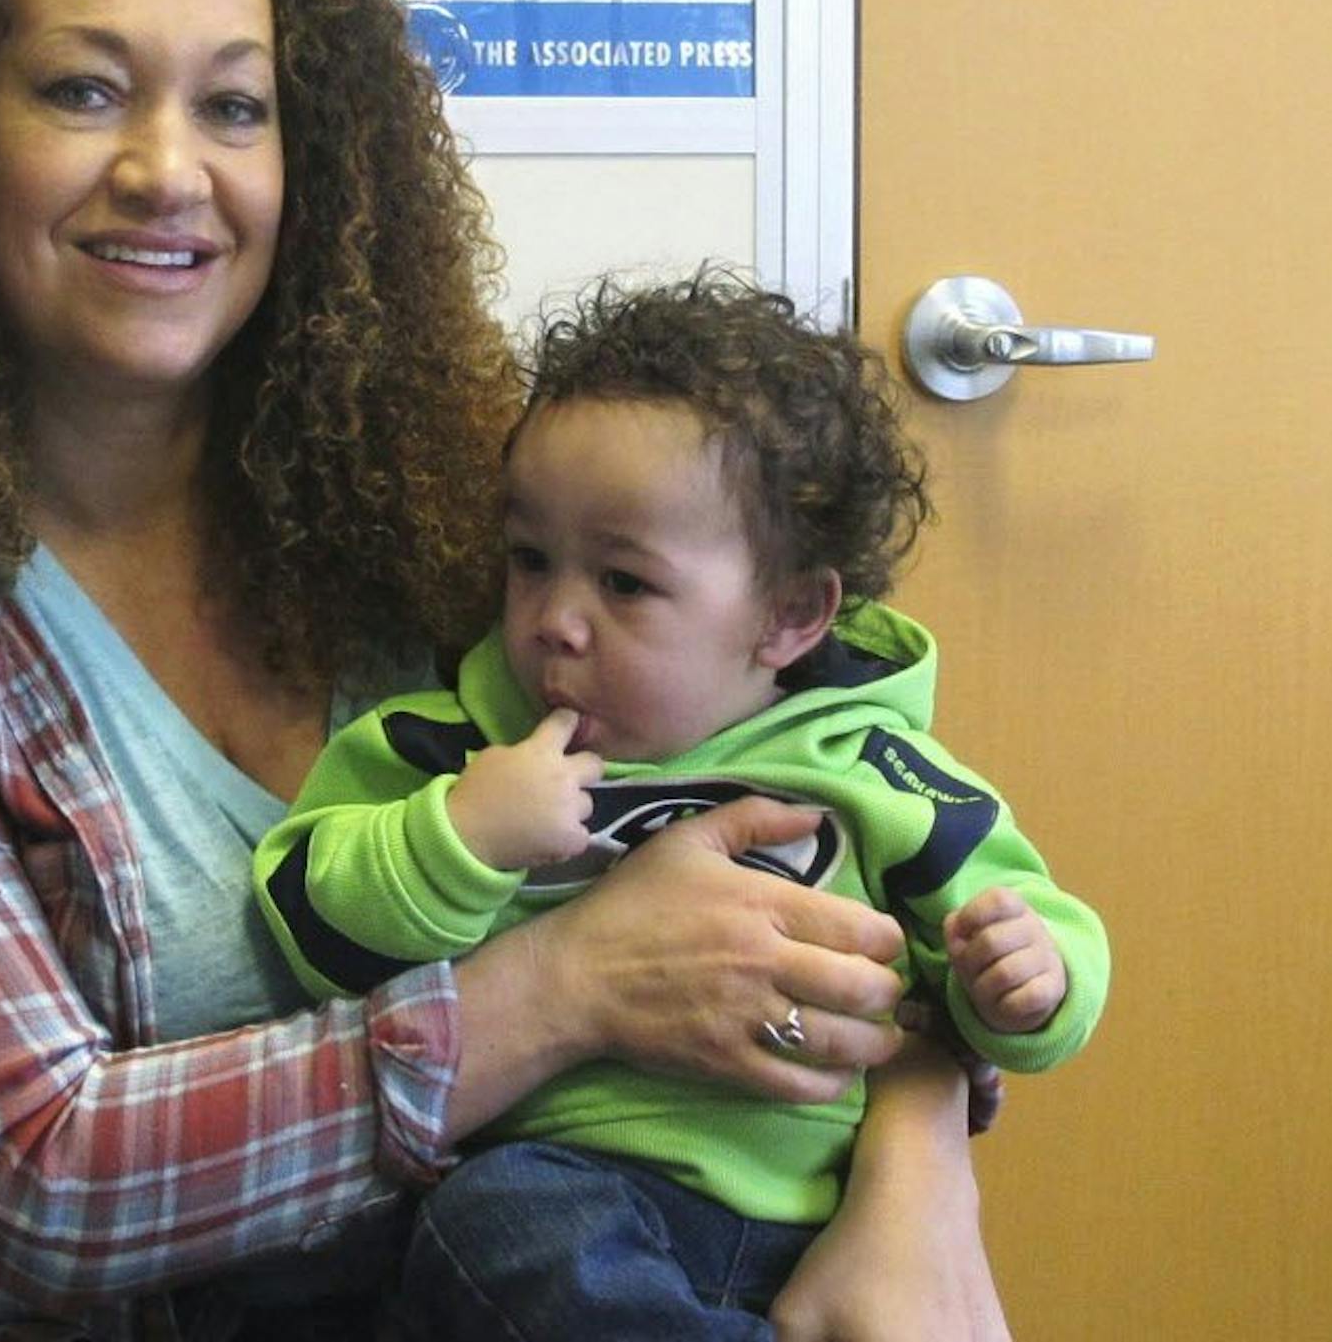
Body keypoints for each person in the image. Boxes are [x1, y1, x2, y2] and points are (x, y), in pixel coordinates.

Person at [0, 0, 1010, 1341]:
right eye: (82, 89)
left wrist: (918, 1161)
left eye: (235, 106)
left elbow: (832, 805)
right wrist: (567, 988)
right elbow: (35, 1178)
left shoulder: (459, 514)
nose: (166, 170)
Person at [256, 272, 1110, 1338]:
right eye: (530, 562)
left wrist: (1028, 984)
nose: (555, 621)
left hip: (822, 1216)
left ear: (789, 616)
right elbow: (304, 921)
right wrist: (457, 840)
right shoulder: (451, 748)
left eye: (623, 583)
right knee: (489, 1225)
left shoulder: (875, 764)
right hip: (577, 1200)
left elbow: (1027, 933)